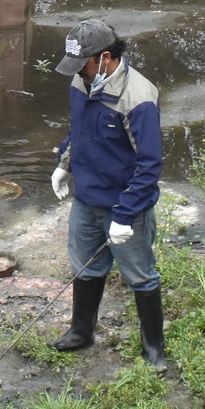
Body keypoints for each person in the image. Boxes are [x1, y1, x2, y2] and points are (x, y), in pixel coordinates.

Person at [49, 19, 167, 369]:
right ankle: (81, 332)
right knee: (85, 267)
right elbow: (78, 129)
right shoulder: (81, 81)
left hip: (123, 204)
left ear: (104, 57)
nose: (78, 72)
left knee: (141, 275)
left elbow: (149, 164)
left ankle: (154, 349)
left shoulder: (138, 97)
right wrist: (65, 164)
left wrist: (126, 215)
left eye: (82, 64)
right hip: (86, 200)